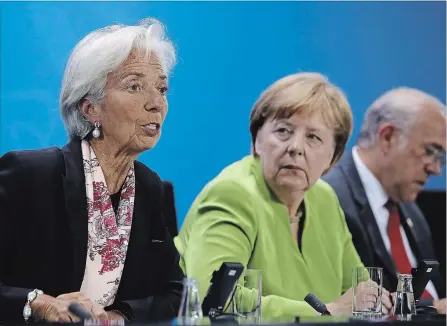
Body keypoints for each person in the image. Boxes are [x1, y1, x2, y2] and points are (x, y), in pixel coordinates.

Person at [0, 18, 183, 323]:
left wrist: (117, 317)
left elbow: (174, 293)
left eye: (162, 88)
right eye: (134, 86)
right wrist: (39, 304)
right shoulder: (28, 176)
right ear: (90, 108)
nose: (156, 103)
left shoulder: (152, 190)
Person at [174, 73, 393, 318]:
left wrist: (391, 302)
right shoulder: (233, 194)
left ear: (333, 156)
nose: (295, 147)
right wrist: (325, 312)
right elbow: (211, 298)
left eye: (313, 137)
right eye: (283, 131)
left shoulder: (324, 198)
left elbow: (360, 288)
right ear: (257, 140)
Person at [323, 87, 446, 313]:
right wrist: (434, 310)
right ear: (387, 137)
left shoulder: (411, 209)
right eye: (430, 151)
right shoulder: (329, 200)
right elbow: (356, 303)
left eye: (441, 158)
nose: (436, 169)